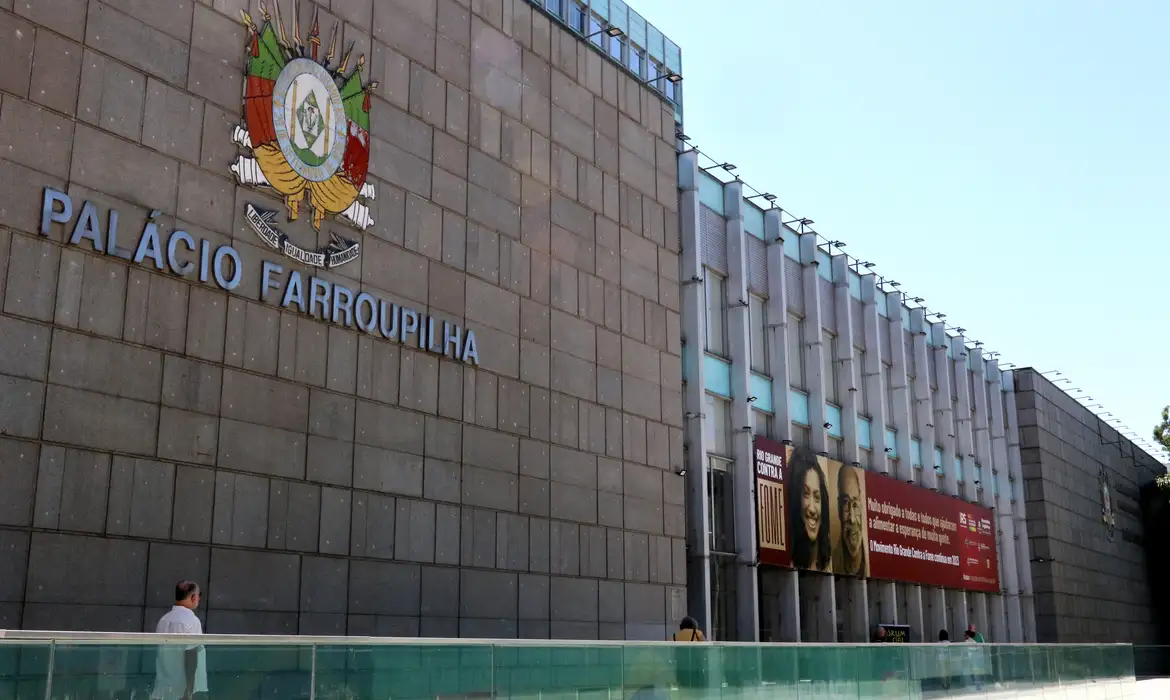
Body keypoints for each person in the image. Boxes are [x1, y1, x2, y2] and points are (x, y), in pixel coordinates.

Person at [152, 581, 207, 700]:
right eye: (199, 595)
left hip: (163, 688)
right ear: (193, 597)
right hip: (181, 690)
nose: (199, 599)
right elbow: (191, 655)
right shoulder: (192, 621)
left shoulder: (164, 620)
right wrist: (189, 690)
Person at [787, 449, 831, 571]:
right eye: (805, 494)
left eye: (817, 497)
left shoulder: (827, 564)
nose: (812, 509)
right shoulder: (785, 561)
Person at [833, 465, 866, 576]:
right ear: (839, 508)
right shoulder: (831, 562)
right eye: (846, 503)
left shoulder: (876, 559)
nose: (852, 520)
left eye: (855, 504)